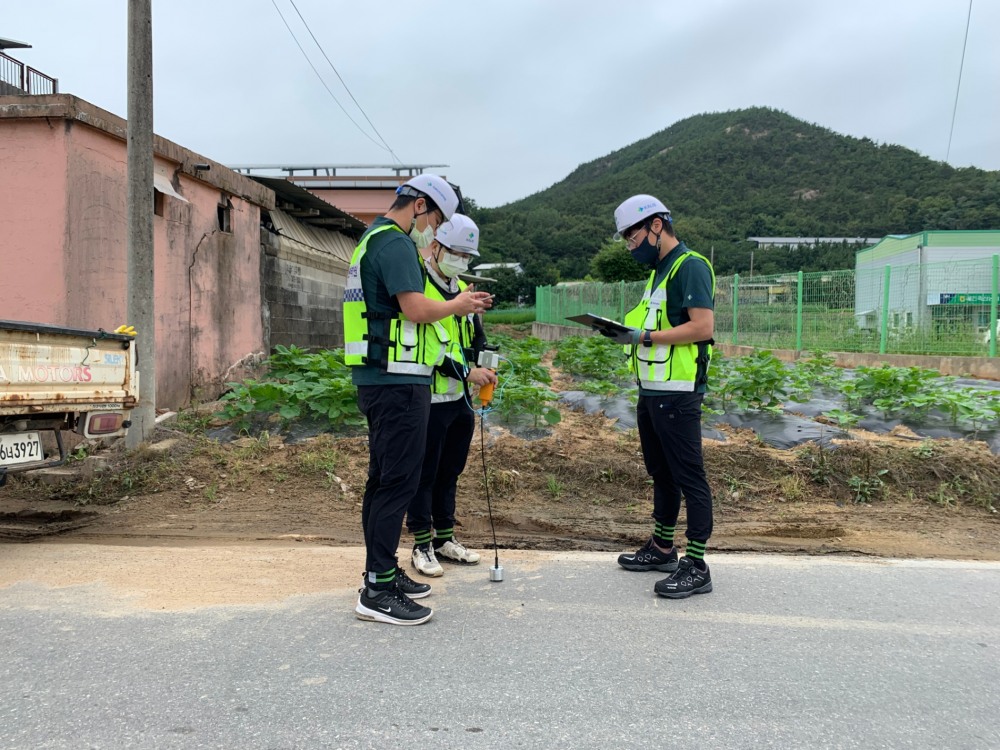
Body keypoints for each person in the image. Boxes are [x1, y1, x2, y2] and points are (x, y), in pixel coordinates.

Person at [343, 175, 493, 625]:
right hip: (397, 381)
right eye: (438, 219)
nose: (434, 229)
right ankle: (378, 590)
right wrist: (458, 305)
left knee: (384, 480)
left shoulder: (372, 240)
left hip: (383, 378)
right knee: (399, 483)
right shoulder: (394, 244)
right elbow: (415, 308)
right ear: (422, 206)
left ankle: (382, 572)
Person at [604, 194, 717, 598]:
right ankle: (662, 547)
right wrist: (624, 334)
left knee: (690, 477)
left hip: (679, 394)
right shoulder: (659, 272)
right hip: (652, 391)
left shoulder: (691, 267)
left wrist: (645, 337)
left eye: (631, 236)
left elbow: (702, 327)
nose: (630, 245)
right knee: (661, 473)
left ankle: (697, 564)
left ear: (656, 225)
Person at [407, 214, 497, 577]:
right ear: (437, 246)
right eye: (456, 252)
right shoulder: (419, 287)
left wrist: (486, 362)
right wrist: (466, 371)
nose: (460, 260)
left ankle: (445, 538)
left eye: (466, 255)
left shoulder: (462, 289)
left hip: (459, 400)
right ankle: (421, 544)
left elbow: (473, 340)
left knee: (450, 471)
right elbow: (430, 348)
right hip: (428, 398)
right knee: (423, 474)